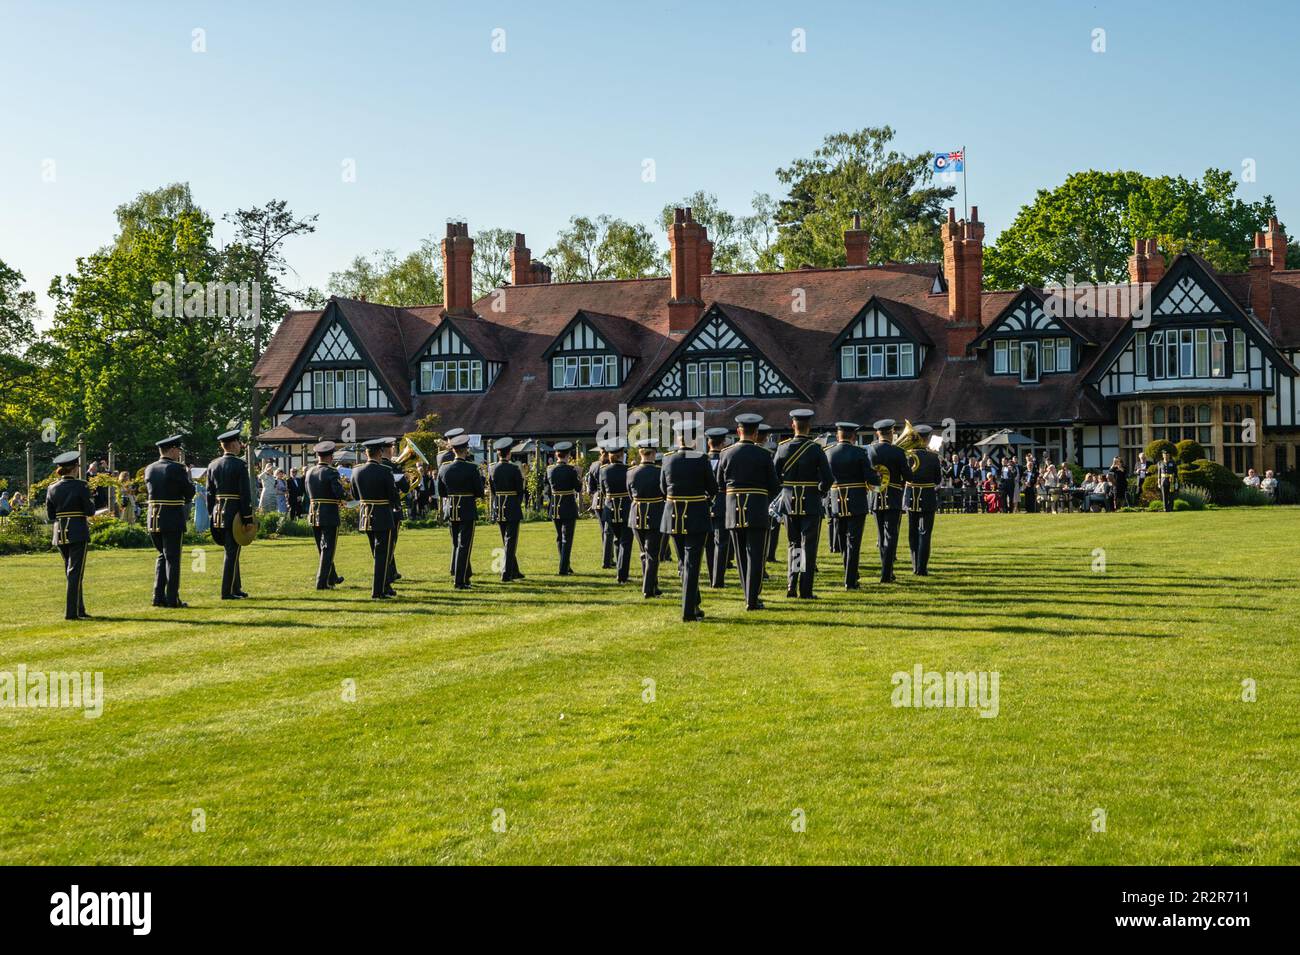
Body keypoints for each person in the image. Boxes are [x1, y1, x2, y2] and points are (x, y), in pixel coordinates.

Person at [717, 414, 779, 611]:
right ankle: (752, 599)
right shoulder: (764, 454)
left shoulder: (725, 454)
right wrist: (762, 499)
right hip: (757, 509)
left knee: (741, 555)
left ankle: (748, 596)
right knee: (756, 556)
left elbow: (720, 484)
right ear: (756, 432)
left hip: (733, 509)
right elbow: (774, 486)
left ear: (738, 431)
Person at [661, 419, 717, 622]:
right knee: (691, 564)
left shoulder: (667, 459)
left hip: (673, 515)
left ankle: (694, 603)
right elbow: (713, 488)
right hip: (696, 515)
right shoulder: (701, 459)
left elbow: (663, 488)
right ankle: (688, 611)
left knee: (684, 563)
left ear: (678, 438)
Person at [773, 408, 832, 599]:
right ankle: (806, 590)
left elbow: (774, 476)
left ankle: (792, 584)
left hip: (789, 502)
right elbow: (828, 478)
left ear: (793, 425)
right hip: (811, 501)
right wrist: (820, 492)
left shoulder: (782, 448)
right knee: (809, 546)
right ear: (809, 426)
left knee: (794, 544)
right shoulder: (815, 449)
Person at [144, 434, 195, 608]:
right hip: (171, 517)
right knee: (173, 559)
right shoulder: (177, 468)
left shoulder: (150, 468)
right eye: (178, 449)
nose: (179, 453)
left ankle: (158, 597)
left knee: (162, 556)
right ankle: (172, 598)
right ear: (172, 450)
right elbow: (189, 493)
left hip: (153, 518)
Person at [45, 451, 95, 620]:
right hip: (77, 531)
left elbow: (50, 515)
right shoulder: (81, 486)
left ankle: (79, 609)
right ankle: (71, 612)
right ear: (74, 468)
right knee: (75, 573)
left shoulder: (52, 487)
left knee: (71, 572)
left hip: (60, 532)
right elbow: (90, 510)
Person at [826, 422, 874, 589]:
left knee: (842, 541)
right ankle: (851, 579)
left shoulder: (828, 452)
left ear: (837, 435)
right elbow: (871, 479)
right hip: (856, 501)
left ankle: (850, 573)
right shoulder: (860, 452)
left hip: (836, 501)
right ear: (853, 436)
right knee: (853, 542)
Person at [207, 429, 254, 600]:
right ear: (233, 444)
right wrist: (248, 518)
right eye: (239, 443)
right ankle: (226, 592)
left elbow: (209, 494)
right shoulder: (240, 465)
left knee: (233, 551)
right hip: (234, 513)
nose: (240, 445)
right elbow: (245, 494)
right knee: (232, 552)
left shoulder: (213, 465)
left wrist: (211, 514)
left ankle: (236, 587)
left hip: (218, 512)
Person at [352, 438, 400, 598]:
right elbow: (392, 495)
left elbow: (354, 495)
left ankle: (386, 586)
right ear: (380, 452)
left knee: (377, 553)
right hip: (382, 515)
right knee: (383, 554)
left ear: (366, 453)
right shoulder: (385, 470)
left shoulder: (356, 470)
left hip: (365, 515)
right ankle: (378, 591)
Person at [866, 419, 912, 584]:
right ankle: (887, 573)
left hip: (875, 497)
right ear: (891, 433)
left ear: (877, 433)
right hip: (893, 496)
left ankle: (886, 571)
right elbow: (909, 477)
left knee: (881, 535)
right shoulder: (898, 452)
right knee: (891, 535)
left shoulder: (869, 450)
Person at [438, 433, 485, 590]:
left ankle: (465, 575)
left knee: (456, 544)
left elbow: (442, 492)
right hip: (466, 508)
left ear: (453, 450)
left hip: (451, 508)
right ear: (465, 450)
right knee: (465, 545)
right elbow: (479, 492)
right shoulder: (472, 468)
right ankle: (460, 581)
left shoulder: (444, 467)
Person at [306, 441, 347, 590]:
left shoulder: (310, 471)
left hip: (313, 512)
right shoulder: (332, 472)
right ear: (331, 456)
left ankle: (332, 576)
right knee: (328, 548)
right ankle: (321, 582)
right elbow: (338, 493)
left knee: (322, 547)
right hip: (328, 513)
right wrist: (346, 495)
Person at [628, 439, 666, 598]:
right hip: (655, 514)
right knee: (652, 554)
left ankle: (653, 586)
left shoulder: (631, 472)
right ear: (654, 453)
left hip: (636, 514)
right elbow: (665, 493)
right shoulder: (660, 472)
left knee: (644, 552)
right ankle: (648, 589)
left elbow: (630, 495)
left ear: (640, 453)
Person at [904, 424, 941, 576]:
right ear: (926, 440)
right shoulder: (933, 457)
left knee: (912, 532)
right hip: (927, 496)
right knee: (925, 533)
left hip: (911, 496)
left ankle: (915, 566)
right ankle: (922, 568)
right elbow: (938, 480)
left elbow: (903, 477)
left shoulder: (907, 456)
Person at [488, 437, 525, 582]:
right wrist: (517, 503)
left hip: (499, 505)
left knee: (506, 540)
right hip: (511, 505)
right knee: (511, 540)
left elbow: (492, 490)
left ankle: (515, 571)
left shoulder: (492, 468)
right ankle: (506, 572)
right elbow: (520, 490)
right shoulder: (514, 469)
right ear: (509, 453)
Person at [599, 438, 634, 584]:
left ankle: (620, 572)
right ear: (621, 454)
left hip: (610, 508)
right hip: (626, 508)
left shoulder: (603, 470)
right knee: (625, 542)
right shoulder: (628, 470)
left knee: (616, 540)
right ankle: (622, 575)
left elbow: (602, 490)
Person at [546, 442, 581, 574]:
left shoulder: (549, 469)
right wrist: (579, 475)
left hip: (555, 506)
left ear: (556, 455)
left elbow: (547, 488)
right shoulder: (571, 470)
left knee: (560, 537)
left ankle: (565, 565)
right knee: (567, 538)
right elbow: (578, 488)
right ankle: (563, 568)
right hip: (568, 506)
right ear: (568, 455)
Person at [703, 427, 731, 588]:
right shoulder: (727, 459)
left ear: (709, 443)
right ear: (723, 442)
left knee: (708, 544)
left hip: (704, 504)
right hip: (722, 503)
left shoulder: (701, 459)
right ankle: (718, 579)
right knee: (721, 542)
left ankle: (711, 575)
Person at [586, 445, 614, 570]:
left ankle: (608, 558)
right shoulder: (612, 466)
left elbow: (590, 487)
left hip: (597, 500)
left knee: (604, 530)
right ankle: (608, 558)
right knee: (611, 532)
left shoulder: (594, 465)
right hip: (610, 499)